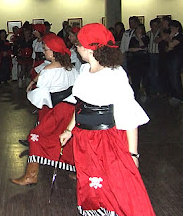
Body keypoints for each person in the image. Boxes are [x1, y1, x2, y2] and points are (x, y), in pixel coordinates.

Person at [59, 23, 155, 216]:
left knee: (116, 187)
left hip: (107, 139)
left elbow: (129, 113)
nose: (76, 48)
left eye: (78, 45)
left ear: (89, 47)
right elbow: (79, 105)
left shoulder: (114, 74)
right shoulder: (84, 71)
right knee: (90, 183)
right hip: (84, 139)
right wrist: (69, 130)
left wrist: (133, 154)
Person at [11, 34, 78, 186]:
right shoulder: (70, 67)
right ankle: (78, 170)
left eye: (46, 49)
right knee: (68, 139)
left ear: (54, 52)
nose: (44, 52)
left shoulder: (49, 70)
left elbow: (40, 97)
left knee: (35, 136)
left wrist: (31, 94)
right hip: (71, 110)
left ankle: (31, 175)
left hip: (58, 111)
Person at [166, 20, 183, 105]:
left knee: (175, 76)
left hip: (177, 58)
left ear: (177, 28)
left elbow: (170, 45)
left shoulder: (179, 36)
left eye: (173, 28)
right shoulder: (172, 37)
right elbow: (167, 48)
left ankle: (179, 96)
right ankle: (174, 94)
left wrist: (170, 38)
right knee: (171, 76)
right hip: (171, 58)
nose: (171, 29)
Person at [146, 18, 161, 97]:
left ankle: (158, 89)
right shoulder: (148, 34)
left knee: (157, 72)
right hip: (150, 54)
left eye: (156, 25)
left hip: (158, 54)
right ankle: (153, 89)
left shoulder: (160, 33)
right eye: (152, 25)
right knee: (151, 72)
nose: (154, 27)